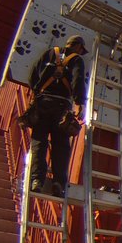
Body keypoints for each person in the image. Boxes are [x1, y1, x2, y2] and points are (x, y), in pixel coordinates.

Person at [23, 35, 88, 197]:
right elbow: (78, 81)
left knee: (39, 141)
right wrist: (80, 102)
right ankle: (58, 183)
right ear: (78, 47)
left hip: (42, 103)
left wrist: (38, 91)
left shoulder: (50, 53)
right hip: (61, 107)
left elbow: (32, 74)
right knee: (61, 145)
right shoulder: (77, 59)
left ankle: (37, 180)